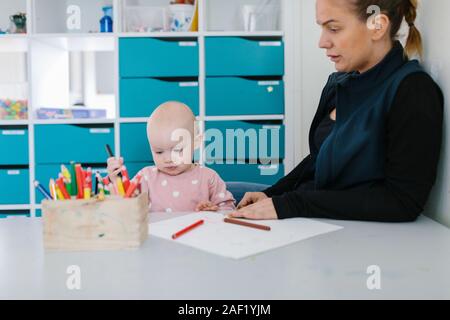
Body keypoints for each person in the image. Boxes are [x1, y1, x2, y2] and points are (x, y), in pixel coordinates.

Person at [230, 0, 444, 222]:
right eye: (322, 28)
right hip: (307, 200)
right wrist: (271, 194)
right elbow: (317, 159)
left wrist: (290, 204)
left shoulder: (413, 91)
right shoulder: (341, 82)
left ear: (377, 26)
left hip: (333, 220)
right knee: (219, 191)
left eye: (333, 28)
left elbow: (401, 202)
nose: (322, 42)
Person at [107, 101, 235, 213]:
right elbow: (127, 207)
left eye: (178, 150)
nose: (168, 159)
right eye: (159, 152)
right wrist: (116, 180)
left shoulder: (209, 178)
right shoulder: (145, 177)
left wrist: (213, 210)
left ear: (196, 142)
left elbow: (228, 210)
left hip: (197, 238)